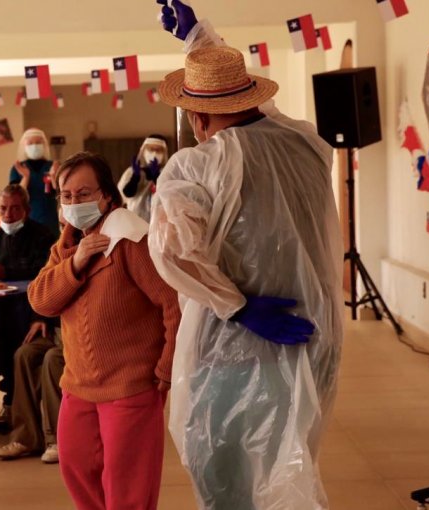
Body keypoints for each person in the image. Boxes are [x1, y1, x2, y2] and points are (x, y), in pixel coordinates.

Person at [147, 2, 341, 509]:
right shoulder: (309, 144)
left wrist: (236, 306)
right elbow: (261, 116)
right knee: (289, 465)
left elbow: (173, 255)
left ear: (194, 115)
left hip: (231, 349)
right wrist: (199, 40)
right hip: (310, 338)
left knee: (226, 479)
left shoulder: (194, 166)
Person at [28, 152, 180, 510]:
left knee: (127, 488)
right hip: (78, 385)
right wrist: (77, 263)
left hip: (129, 387)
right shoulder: (68, 243)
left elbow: (173, 304)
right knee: (78, 471)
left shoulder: (129, 238)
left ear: (107, 195)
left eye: (83, 194)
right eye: (66, 196)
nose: (74, 203)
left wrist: (166, 366)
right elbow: (40, 301)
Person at [0, 185, 61, 463]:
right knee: (19, 354)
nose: (8, 214)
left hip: (44, 315)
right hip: (11, 312)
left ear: (25, 209)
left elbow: (48, 277)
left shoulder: (45, 236)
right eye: (3, 208)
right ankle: (25, 437)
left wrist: (41, 316)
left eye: (14, 208)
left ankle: (56, 439)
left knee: (47, 358)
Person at [9, 128, 59, 234]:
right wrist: (25, 177)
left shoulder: (52, 166)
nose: (34, 146)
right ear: (24, 146)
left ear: (44, 145)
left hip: (49, 221)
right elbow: (14, 196)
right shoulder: (18, 168)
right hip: (26, 221)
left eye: (38, 142)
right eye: (30, 143)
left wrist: (54, 177)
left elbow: (61, 193)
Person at [117, 135, 169, 222]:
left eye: (158, 150)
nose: (154, 153)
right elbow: (126, 194)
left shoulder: (167, 172)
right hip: (135, 222)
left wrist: (156, 176)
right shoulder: (131, 172)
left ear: (164, 153)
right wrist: (135, 177)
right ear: (143, 150)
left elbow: (168, 194)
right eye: (151, 149)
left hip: (160, 223)